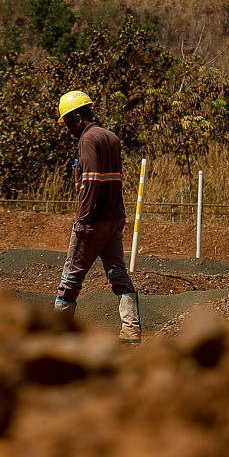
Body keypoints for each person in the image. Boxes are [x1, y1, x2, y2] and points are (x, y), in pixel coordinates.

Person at [54, 89, 141, 341]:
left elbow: (92, 181)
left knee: (70, 277)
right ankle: (131, 329)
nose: (68, 129)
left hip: (94, 221)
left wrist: (82, 219)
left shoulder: (88, 139)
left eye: (68, 123)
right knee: (118, 273)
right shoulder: (111, 137)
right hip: (115, 218)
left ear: (79, 116)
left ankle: (58, 332)